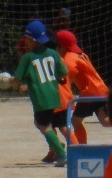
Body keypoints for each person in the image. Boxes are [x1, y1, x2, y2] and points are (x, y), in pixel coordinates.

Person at [9, 20, 69, 166]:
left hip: (40, 98)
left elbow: (17, 80)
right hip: (54, 96)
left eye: (26, 38)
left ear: (32, 40)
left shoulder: (28, 57)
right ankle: (56, 144)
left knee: (44, 126)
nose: (25, 41)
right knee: (40, 122)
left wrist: (9, 82)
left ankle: (61, 153)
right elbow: (64, 72)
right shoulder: (53, 53)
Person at [54, 29, 109, 145]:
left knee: (75, 121)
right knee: (105, 121)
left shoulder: (69, 59)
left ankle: (82, 146)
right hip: (102, 90)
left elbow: (65, 78)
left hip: (89, 93)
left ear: (61, 46)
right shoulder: (80, 55)